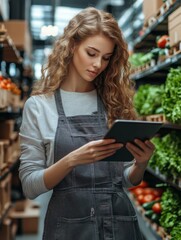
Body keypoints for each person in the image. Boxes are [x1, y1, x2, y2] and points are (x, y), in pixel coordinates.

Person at [19, 7, 155, 240]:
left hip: (119, 224)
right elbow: (30, 186)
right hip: (70, 226)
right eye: (91, 53)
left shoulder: (113, 102)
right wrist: (72, 160)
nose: (98, 65)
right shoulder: (39, 106)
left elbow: (122, 179)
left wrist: (140, 165)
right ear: (72, 46)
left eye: (106, 58)